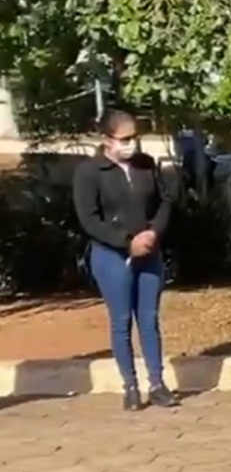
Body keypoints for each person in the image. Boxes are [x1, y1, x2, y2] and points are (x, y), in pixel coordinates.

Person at [72, 109, 177, 411]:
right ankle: (129, 385)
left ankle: (156, 382)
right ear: (107, 139)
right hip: (112, 255)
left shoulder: (145, 166)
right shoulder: (90, 173)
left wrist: (153, 234)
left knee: (149, 318)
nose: (131, 144)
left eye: (135, 138)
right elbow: (89, 219)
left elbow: (164, 202)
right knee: (121, 320)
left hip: (149, 252)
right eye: (125, 139)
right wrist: (126, 242)